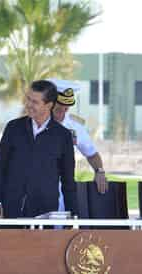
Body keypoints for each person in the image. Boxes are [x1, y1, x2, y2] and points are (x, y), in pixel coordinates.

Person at [0, 80, 77, 218]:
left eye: (35, 102)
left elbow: (68, 181)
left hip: (44, 211)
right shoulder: (13, 128)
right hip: (10, 208)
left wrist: (74, 215)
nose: (28, 105)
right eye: (28, 99)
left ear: (49, 105)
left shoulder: (63, 136)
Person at [48, 79, 108, 212]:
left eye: (66, 109)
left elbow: (92, 154)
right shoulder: (36, 122)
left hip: (62, 191)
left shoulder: (74, 126)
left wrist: (100, 171)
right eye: (58, 110)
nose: (63, 114)